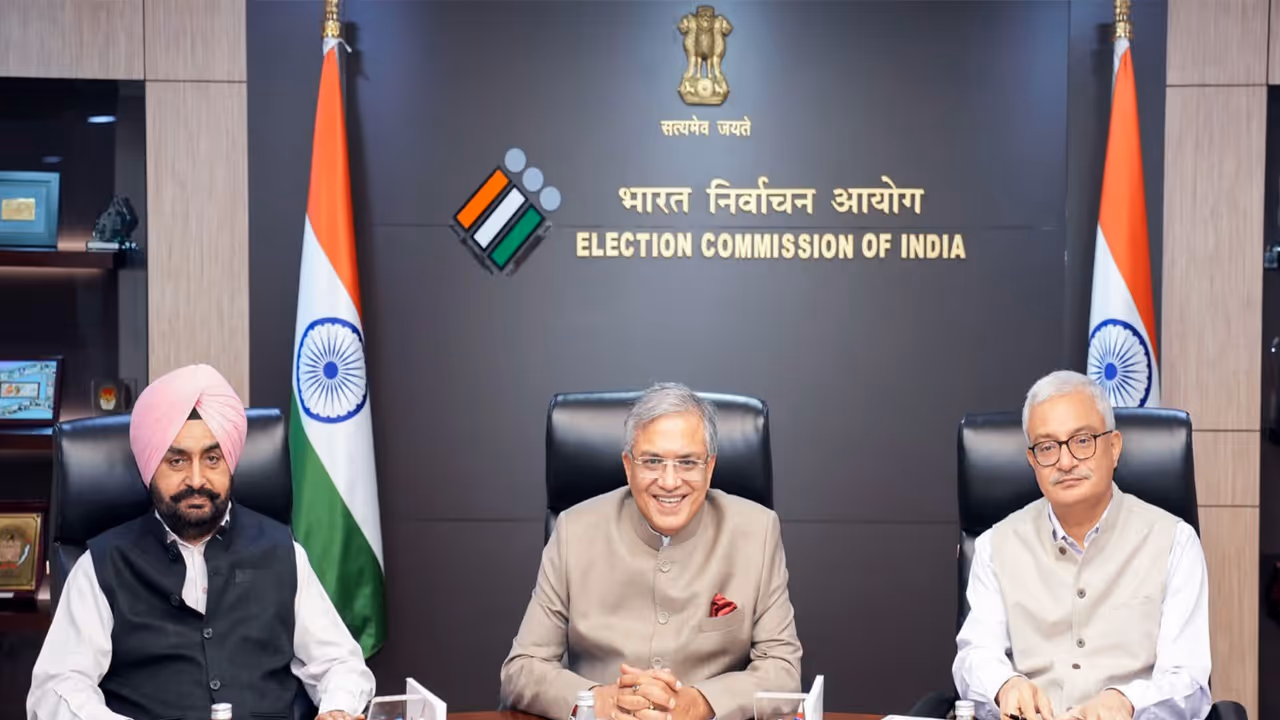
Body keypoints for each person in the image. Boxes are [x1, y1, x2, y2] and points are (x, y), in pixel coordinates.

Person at [28, 364, 375, 720]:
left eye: (212, 459)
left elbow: (339, 662)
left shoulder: (282, 553)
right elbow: (59, 686)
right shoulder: (100, 565)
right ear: (150, 468)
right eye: (177, 460)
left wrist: (337, 708)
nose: (197, 479)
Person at [500, 383, 801, 720]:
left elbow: (783, 673)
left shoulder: (757, 531)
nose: (669, 481)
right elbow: (522, 669)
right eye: (653, 461)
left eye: (687, 462)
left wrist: (701, 702)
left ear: (710, 467)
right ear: (628, 466)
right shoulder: (574, 530)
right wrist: (596, 701)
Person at [952, 370, 1211, 720]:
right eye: (1047, 447)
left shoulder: (1175, 543)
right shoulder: (994, 545)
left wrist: (1127, 701)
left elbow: (1189, 681)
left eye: (1083, 440)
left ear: (1114, 447)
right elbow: (975, 654)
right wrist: (1005, 685)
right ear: (1032, 462)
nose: (1065, 461)